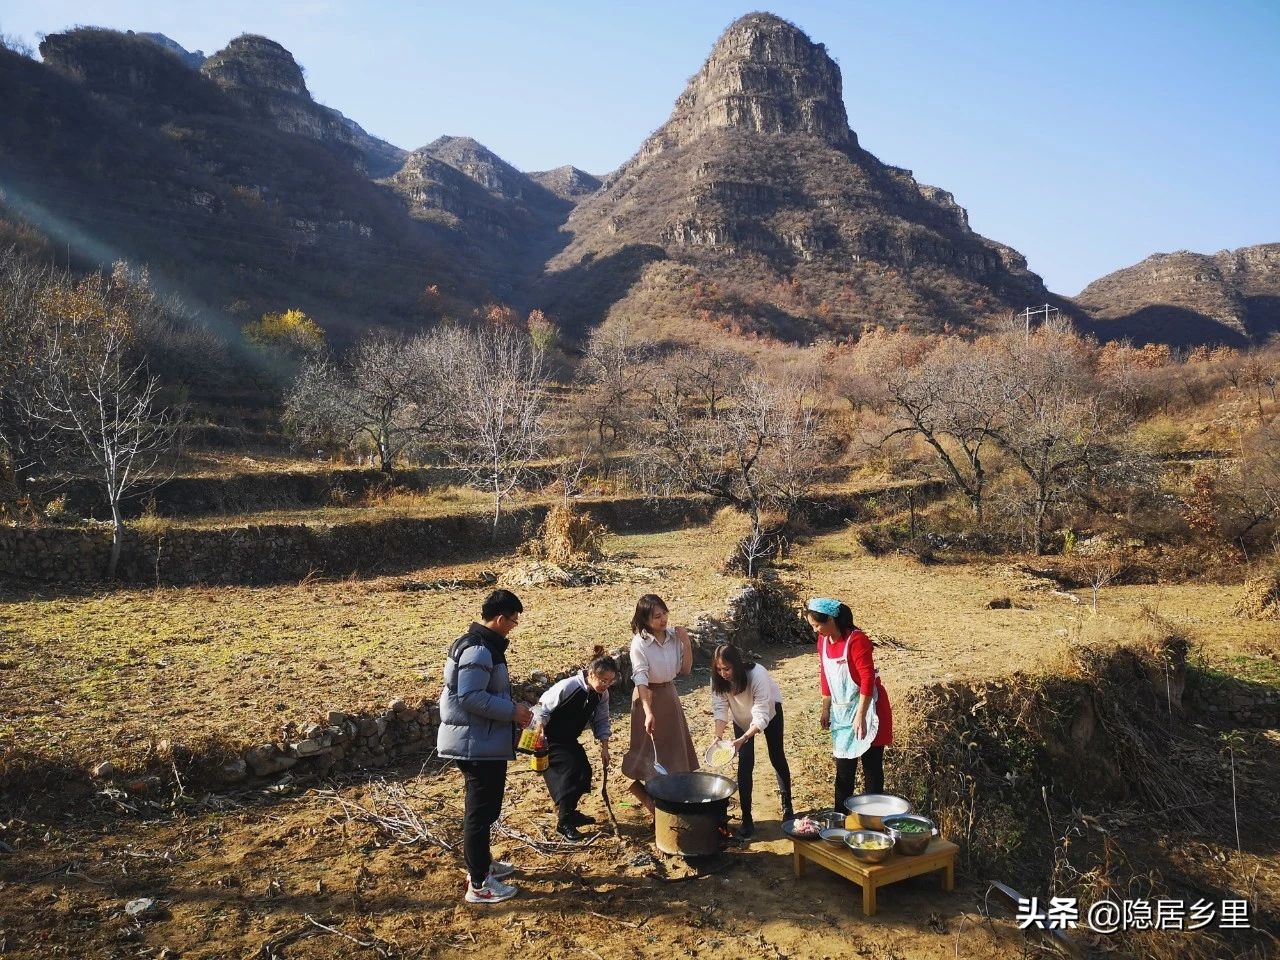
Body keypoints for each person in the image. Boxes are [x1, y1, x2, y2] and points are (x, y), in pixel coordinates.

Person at [437, 589, 534, 905]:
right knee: (479, 814)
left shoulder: (484, 647)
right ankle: (479, 883)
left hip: (483, 740)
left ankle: (481, 864)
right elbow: (470, 697)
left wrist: (511, 710)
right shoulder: (479, 650)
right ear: (500, 618)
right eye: (513, 621)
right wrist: (513, 712)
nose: (513, 627)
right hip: (474, 744)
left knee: (486, 809)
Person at [805, 597, 893, 811]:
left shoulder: (857, 640)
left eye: (817, 625)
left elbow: (867, 678)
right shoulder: (823, 642)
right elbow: (825, 673)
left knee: (872, 769)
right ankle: (841, 820)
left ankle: (874, 819)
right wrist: (826, 708)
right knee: (844, 770)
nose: (816, 630)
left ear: (831, 620)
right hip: (842, 712)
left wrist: (861, 715)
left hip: (868, 708)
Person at [620, 593, 699, 814]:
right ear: (645, 619)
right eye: (657, 616)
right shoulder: (640, 643)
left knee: (674, 747)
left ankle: (675, 797)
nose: (663, 620)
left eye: (665, 614)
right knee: (650, 750)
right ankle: (653, 800)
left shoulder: (674, 637)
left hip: (669, 694)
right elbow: (641, 678)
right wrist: (647, 712)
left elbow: (685, 670)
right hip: (647, 697)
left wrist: (685, 642)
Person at [532, 647, 618, 841]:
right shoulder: (569, 686)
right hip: (549, 738)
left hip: (569, 739)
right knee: (569, 773)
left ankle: (570, 812)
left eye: (610, 681)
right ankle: (564, 822)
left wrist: (605, 747)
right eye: (603, 680)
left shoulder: (601, 695)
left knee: (584, 772)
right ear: (591, 674)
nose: (606, 685)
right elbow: (542, 708)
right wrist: (539, 731)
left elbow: (602, 720)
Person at [710, 643, 793, 838]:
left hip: (769, 714)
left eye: (727, 669)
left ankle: (787, 807)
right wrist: (718, 736)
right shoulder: (718, 680)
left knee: (776, 756)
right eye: (719, 669)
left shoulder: (758, 674)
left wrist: (744, 738)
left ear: (737, 665)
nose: (723, 673)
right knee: (745, 764)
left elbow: (761, 714)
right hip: (741, 718)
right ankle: (747, 818)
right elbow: (720, 709)